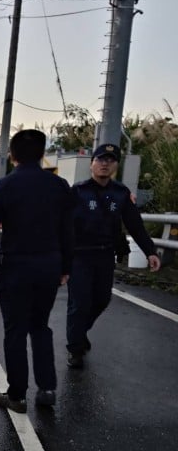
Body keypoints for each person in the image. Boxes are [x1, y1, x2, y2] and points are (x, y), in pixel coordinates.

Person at [0, 129, 75, 412]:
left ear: (13, 156)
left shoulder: (3, 188)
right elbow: (68, 231)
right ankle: (47, 389)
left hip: (16, 266)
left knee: (15, 330)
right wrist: (65, 266)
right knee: (40, 326)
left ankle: (17, 395)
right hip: (48, 266)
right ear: (42, 154)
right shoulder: (59, 186)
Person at [65, 143, 161, 369]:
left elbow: (135, 225)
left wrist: (150, 252)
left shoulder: (121, 193)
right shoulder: (77, 191)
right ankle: (75, 348)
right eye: (100, 159)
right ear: (92, 164)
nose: (105, 164)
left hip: (105, 255)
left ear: (116, 165)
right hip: (79, 256)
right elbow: (61, 223)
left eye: (110, 160)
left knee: (101, 300)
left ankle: (79, 333)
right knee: (79, 303)